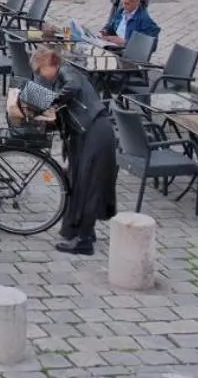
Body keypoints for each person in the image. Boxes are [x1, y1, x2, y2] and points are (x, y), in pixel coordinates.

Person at [24, 47, 117, 255]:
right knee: (80, 183)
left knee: (88, 185)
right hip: (87, 133)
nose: (40, 75)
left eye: (40, 70)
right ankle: (82, 231)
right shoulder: (60, 77)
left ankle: (84, 241)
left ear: (51, 64)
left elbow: (72, 87)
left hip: (95, 133)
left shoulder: (67, 72)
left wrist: (50, 102)